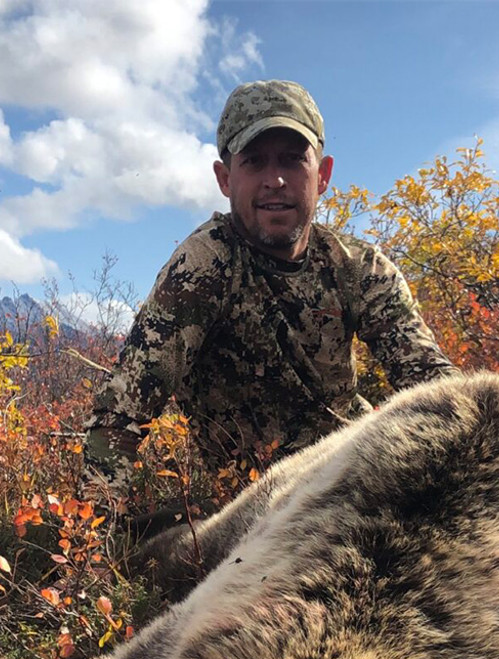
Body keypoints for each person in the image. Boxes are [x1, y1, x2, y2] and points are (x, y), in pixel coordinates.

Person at [85, 79, 456, 495]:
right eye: (254, 162)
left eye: (293, 160)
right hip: (252, 508)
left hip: (355, 476)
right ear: (225, 179)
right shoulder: (202, 268)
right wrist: (92, 549)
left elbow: (436, 388)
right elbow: (119, 416)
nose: (274, 180)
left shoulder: (359, 268)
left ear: (323, 175)